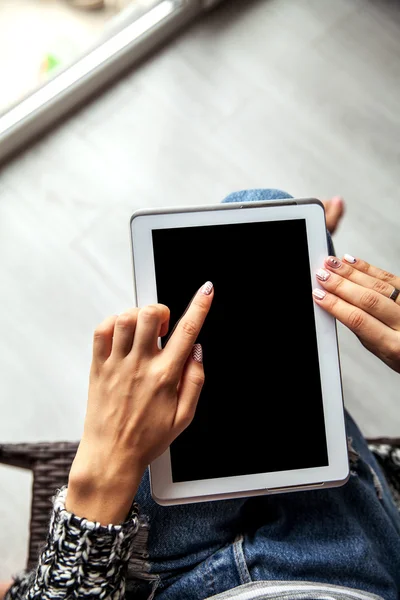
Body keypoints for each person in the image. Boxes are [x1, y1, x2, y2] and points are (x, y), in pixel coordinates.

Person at [1, 189, 399, 600]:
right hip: (357, 557)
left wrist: (101, 479)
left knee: (261, 223)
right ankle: (300, 280)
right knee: (268, 211)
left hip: (177, 580)